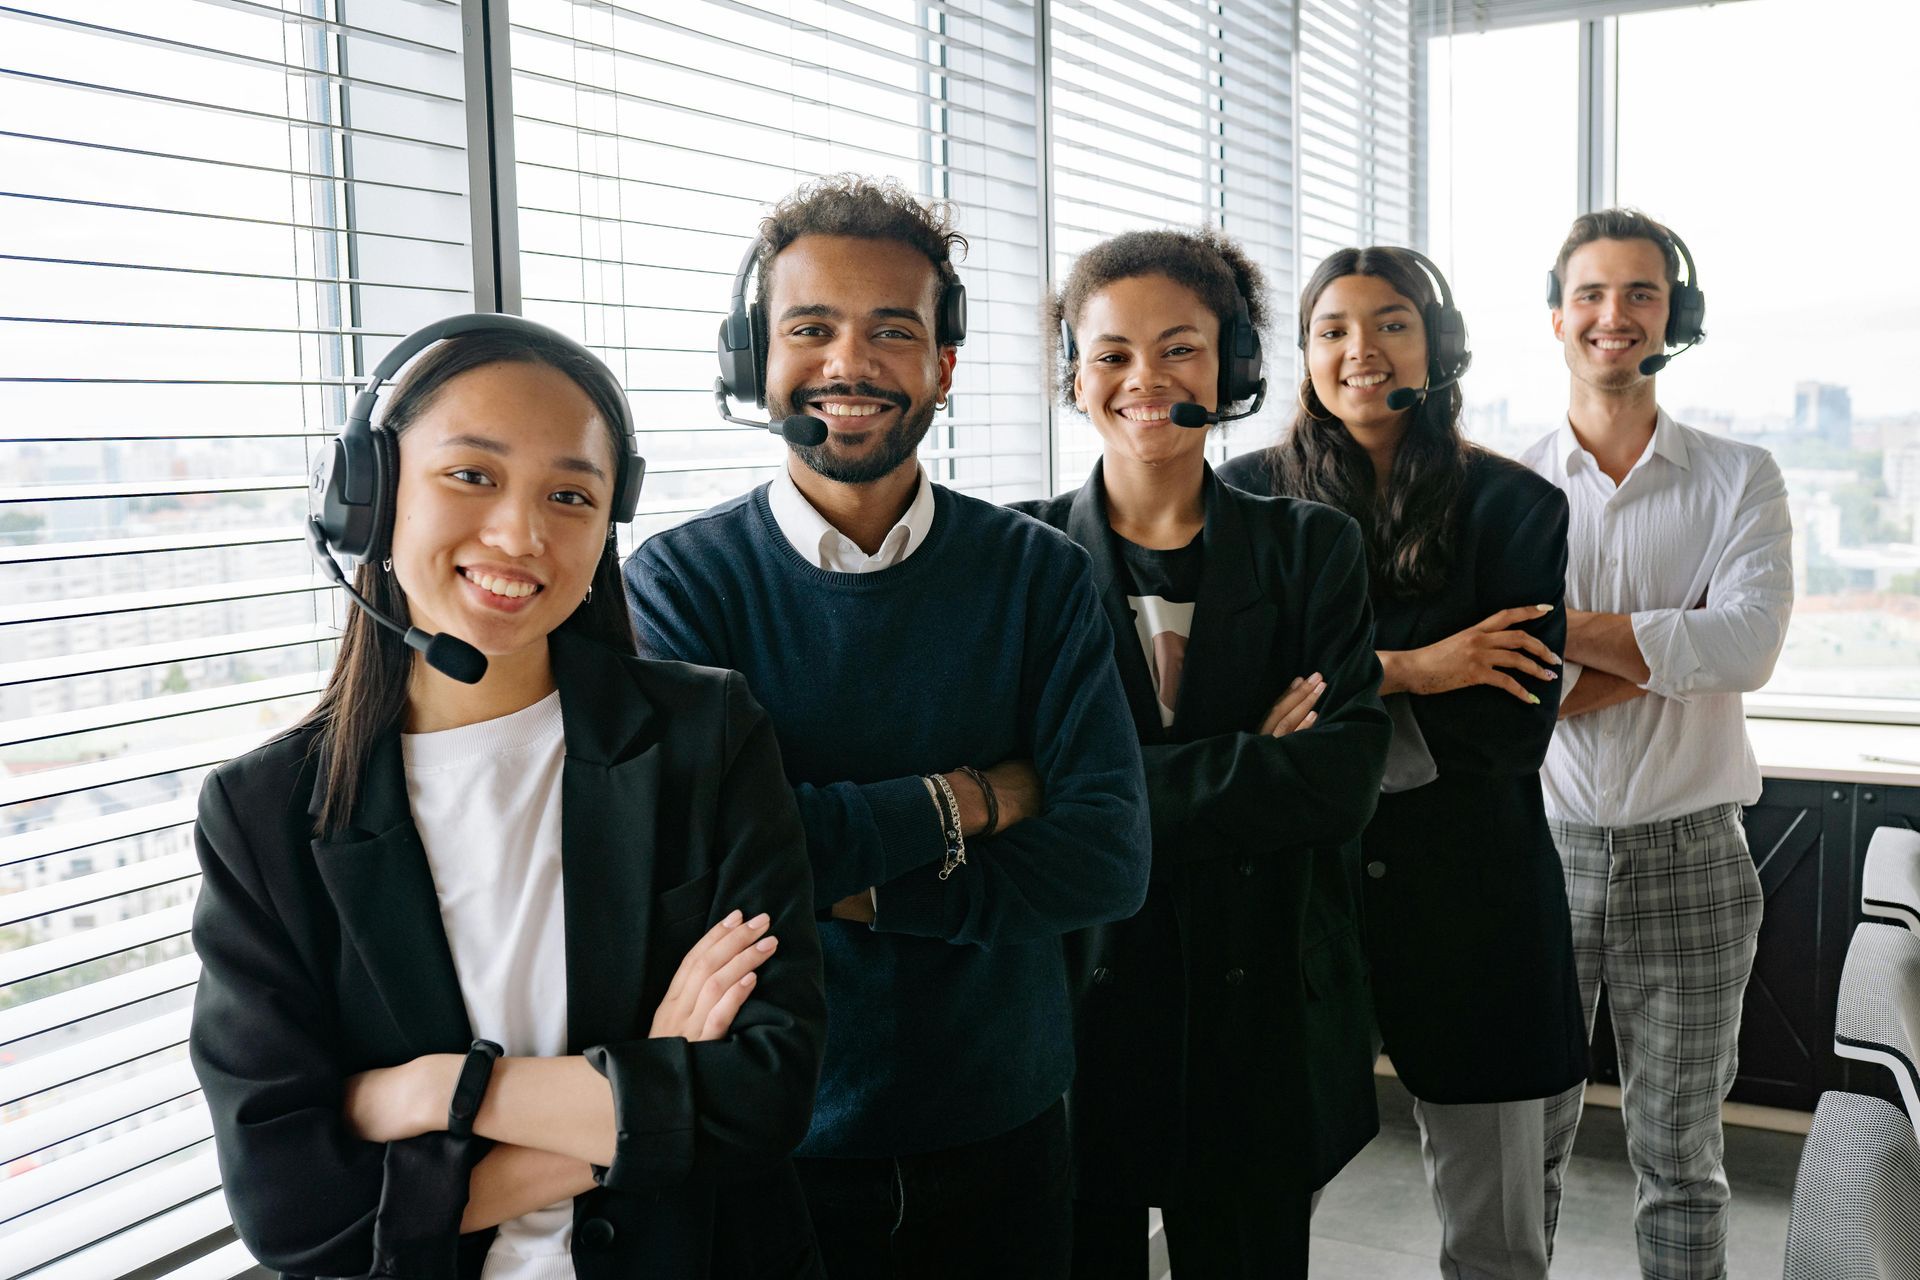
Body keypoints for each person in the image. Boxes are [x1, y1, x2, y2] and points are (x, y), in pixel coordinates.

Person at [189, 317, 827, 1280]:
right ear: (369, 498)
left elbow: (763, 1097)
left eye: (570, 494)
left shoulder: (706, 737)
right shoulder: (265, 817)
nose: (522, 534)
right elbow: (297, 1213)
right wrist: (647, 1078)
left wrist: (431, 1091)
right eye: (472, 475)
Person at [622, 175, 1151, 1279]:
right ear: (753, 358)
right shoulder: (677, 585)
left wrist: (845, 882)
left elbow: (1107, 856)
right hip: (777, 1144)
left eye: (891, 332)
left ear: (943, 366)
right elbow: (708, 867)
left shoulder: (1040, 575)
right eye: (809, 329)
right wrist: (974, 799)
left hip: (1004, 1128)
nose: (847, 365)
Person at [1013, 228, 1390, 1279]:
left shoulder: (1314, 548)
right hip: (1080, 1018)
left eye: (1180, 347)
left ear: (1233, 366)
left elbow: (1340, 778)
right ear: (1074, 373)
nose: (1146, 379)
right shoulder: (1019, 559)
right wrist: (1244, 761)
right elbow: (1016, 808)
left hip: (1260, 1019)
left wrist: (1088, 785)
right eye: (1113, 352)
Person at [1219, 247, 1587, 1280]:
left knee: (1497, 1236)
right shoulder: (1243, 502)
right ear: (1302, 353)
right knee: (1252, 1215)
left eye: (1390, 323)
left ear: (1438, 345)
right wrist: (1421, 664)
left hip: (1477, 901)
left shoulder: (1514, 507)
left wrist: (1328, 694)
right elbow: (1226, 708)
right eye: (1332, 327)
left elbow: (1511, 726)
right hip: (1291, 900)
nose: (1360, 349)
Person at [1521, 209, 1792, 1280]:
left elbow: (1748, 645)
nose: (1614, 315)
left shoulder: (1740, 476)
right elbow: (1503, 683)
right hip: (1539, 855)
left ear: (1674, 315)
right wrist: (1666, 636)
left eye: (1640, 292)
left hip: (1695, 855)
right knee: (1520, 1144)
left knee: (1682, 1157)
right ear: (1556, 316)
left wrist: (1568, 631)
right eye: (1592, 292)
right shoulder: (1510, 483)